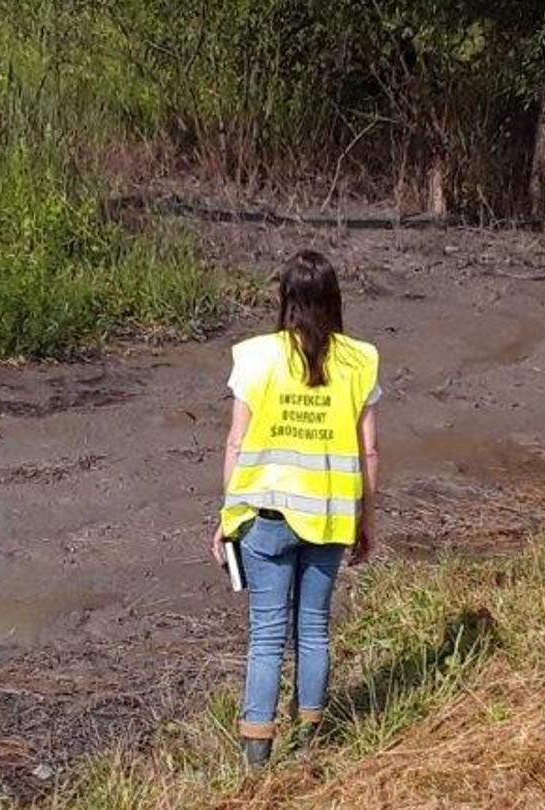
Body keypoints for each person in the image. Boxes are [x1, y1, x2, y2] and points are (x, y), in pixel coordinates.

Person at [213, 249, 380, 768]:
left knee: (265, 637)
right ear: (334, 299)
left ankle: (255, 754)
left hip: (266, 521)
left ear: (284, 299)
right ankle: (311, 738)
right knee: (313, 629)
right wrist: (366, 520)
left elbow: (236, 444)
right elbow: (368, 450)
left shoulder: (255, 356)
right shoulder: (360, 360)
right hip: (329, 520)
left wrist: (225, 519)